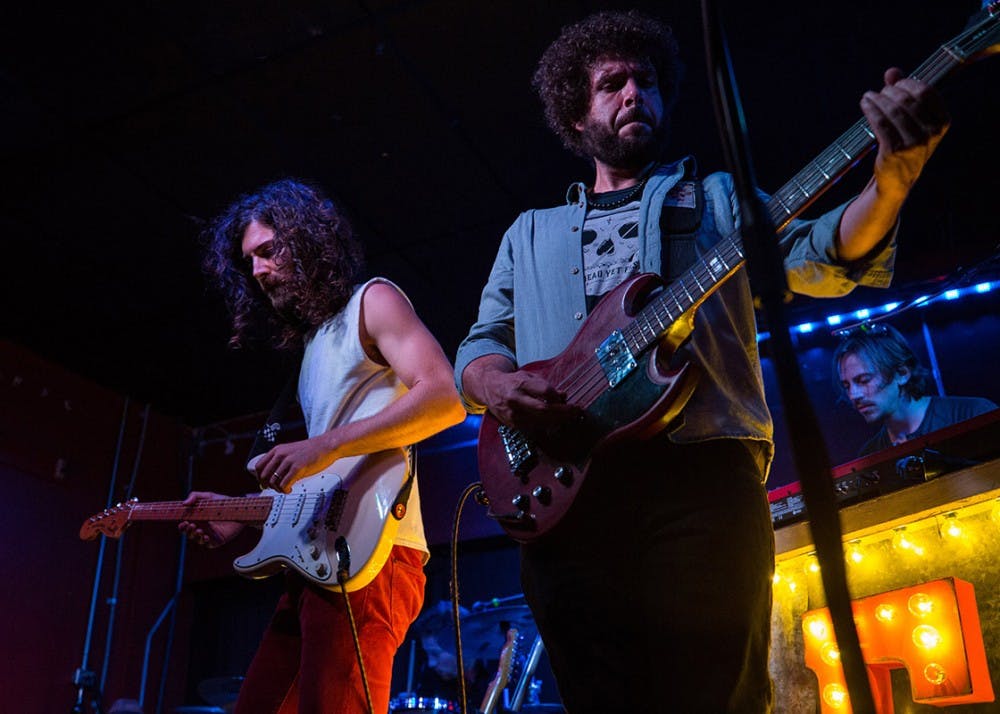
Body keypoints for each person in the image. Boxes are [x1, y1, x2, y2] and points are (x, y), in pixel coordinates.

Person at [454, 10, 949, 713]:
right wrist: (495, 386)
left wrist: (891, 181)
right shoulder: (528, 234)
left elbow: (821, 254)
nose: (634, 94)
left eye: (646, 81)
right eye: (612, 84)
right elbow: (479, 345)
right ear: (575, 111)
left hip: (701, 477)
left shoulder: (715, 197)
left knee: (719, 692)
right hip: (566, 498)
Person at [179, 178, 466, 714]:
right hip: (318, 559)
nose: (259, 271)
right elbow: (323, 483)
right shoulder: (312, 351)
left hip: (375, 555)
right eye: (250, 263)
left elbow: (445, 396)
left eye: (268, 251)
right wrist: (241, 515)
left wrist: (325, 445)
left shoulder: (372, 301)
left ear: (307, 241)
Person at [833, 323, 997, 455]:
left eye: (863, 380)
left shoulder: (974, 415)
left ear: (902, 373)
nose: (853, 395)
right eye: (846, 386)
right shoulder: (869, 456)